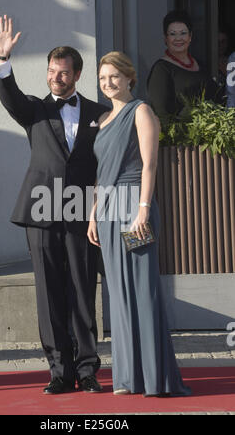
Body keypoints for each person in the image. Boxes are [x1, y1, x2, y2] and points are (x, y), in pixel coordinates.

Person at [0, 15, 109, 395]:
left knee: (81, 289)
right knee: (49, 293)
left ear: (76, 75)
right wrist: (4, 63)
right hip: (40, 212)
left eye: (63, 73)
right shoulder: (34, 110)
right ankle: (59, 371)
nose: (55, 77)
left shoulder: (98, 114)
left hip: (80, 212)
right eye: (51, 72)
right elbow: (9, 98)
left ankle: (88, 369)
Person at [88, 51, 191, 397]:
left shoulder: (141, 111)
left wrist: (144, 209)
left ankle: (154, 377)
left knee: (142, 290)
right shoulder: (102, 119)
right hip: (109, 212)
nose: (108, 83)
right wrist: (93, 213)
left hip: (135, 208)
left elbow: (149, 165)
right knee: (118, 293)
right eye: (103, 79)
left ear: (130, 77)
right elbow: (102, 175)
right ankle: (128, 377)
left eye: (114, 76)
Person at [147, 10, 220, 118]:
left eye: (183, 33)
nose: (178, 38)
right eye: (172, 34)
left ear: (190, 36)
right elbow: (162, 114)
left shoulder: (200, 64)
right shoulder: (161, 69)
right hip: (179, 133)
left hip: (208, 131)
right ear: (165, 38)